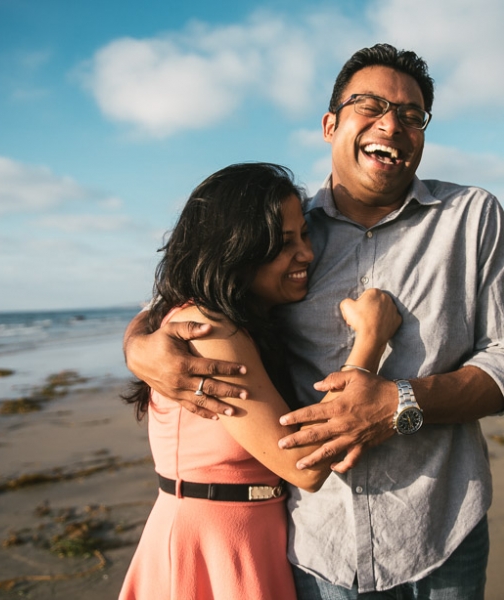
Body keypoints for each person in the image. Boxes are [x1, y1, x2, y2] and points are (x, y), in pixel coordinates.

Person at [124, 44, 504, 599]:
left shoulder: (470, 217)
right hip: (318, 546)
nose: (391, 125)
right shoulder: (285, 228)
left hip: (441, 530)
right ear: (330, 125)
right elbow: (196, 293)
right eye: (370, 106)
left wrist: (398, 404)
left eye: (412, 115)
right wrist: (139, 344)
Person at [118, 162, 401, 600]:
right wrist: (371, 340)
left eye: (304, 235)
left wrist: (134, 338)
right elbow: (303, 465)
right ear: (236, 249)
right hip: (213, 543)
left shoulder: (242, 321)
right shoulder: (208, 328)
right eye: (283, 244)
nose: (306, 254)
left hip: (250, 533)